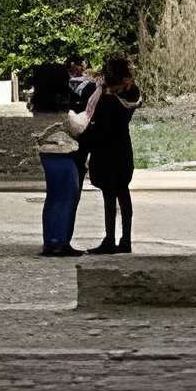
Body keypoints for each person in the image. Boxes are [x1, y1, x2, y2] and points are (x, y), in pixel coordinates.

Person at [78, 53, 142, 254]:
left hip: (105, 149)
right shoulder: (131, 94)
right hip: (123, 146)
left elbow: (97, 122)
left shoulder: (105, 97)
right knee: (123, 192)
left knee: (109, 196)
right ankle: (126, 240)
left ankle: (109, 238)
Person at [26, 55, 88, 256]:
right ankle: (60, 241)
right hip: (63, 155)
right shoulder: (61, 111)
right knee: (66, 196)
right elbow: (77, 127)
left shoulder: (39, 107)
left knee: (52, 198)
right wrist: (90, 110)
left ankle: (50, 240)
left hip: (47, 155)